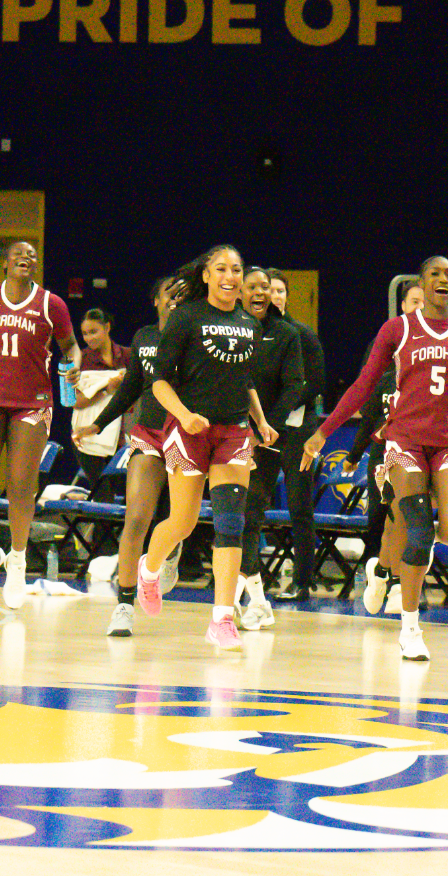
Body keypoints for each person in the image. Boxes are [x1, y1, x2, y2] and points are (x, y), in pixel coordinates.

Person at [304, 257, 448, 662]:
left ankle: (384, 568)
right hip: (404, 440)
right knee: (420, 530)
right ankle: (410, 629)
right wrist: (323, 432)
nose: (444, 280)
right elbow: (363, 386)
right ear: (421, 284)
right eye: (435, 274)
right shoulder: (398, 329)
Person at [134, 245, 275, 652]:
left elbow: (243, 379)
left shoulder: (249, 324)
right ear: (208, 276)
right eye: (222, 269)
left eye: (237, 269)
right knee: (183, 522)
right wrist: (185, 414)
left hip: (233, 432)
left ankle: (222, 619)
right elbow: (158, 381)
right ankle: (150, 568)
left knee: (232, 523)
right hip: (188, 429)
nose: (231, 276)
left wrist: (260, 420)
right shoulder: (185, 318)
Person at [0, 241, 80, 609]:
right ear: (6, 262)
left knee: (22, 484)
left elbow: (71, 345)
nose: (26, 259)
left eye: (32, 255)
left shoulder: (51, 303)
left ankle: (18, 560)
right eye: (19, 254)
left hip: (33, 399)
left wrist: (74, 363)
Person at [76, 275, 185, 638]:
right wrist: (99, 422)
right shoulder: (144, 338)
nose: (174, 300)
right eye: (168, 294)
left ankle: (169, 554)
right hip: (149, 434)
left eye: (181, 295)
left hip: (186, 436)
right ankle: (124, 605)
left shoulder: (197, 337)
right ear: (155, 300)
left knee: (177, 518)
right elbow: (131, 387)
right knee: (136, 517)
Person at [235, 267, 307, 630]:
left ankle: (242, 600)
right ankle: (257, 600)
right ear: (239, 291)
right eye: (253, 286)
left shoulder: (287, 334)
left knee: (249, 514)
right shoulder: (229, 328)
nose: (261, 292)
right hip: (227, 432)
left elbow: (296, 384)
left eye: (266, 287)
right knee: (231, 516)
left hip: (268, 438)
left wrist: (268, 428)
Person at [353, 277, 425, 611]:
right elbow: (367, 408)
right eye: (414, 301)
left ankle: (399, 581)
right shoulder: (388, 341)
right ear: (402, 306)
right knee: (386, 519)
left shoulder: (447, 345)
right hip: (386, 453)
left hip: (426, 449)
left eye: (424, 301)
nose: (420, 307)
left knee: (414, 519)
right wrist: (354, 453)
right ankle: (381, 571)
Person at [269, 269, 326, 602]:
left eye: (278, 290)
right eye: (266, 289)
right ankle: (246, 578)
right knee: (250, 505)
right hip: (261, 430)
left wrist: (280, 405)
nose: (273, 295)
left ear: (286, 295)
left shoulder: (303, 334)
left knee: (299, 508)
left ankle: (303, 580)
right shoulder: (252, 332)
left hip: (297, 430)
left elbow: (315, 384)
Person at [71, 308, 130, 487]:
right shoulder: (80, 359)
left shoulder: (127, 355)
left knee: (130, 492)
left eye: (93, 331)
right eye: (85, 334)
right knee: (103, 493)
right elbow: (74, 402)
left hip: (122, 435)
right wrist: (105, 390)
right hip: (86, 435)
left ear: (107, 327)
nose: (89, 338)